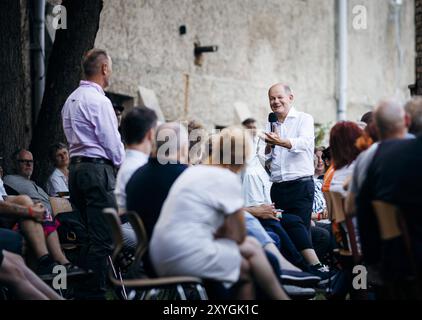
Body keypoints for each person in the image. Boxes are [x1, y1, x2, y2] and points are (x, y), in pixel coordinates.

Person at [150, 127, 290, 300]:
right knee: (248, 263)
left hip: (159, 251)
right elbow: (238, 235)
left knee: (252, 247)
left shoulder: (194, 171)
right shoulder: (225, 178)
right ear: (244, 158)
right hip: (184, 254)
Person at [62, 48, 125, 299]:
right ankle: (93, 293)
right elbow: (112, 142)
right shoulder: (99, 101)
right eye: (110, 68)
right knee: (103, 237)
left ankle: (83, 290)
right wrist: (121, 161)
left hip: (76, 169)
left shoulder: (70, 100)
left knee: (86, 236)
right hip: (97, 170)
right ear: (104, 69)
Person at [2, 150, 76, 275]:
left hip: (51, 218)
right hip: (35, 219)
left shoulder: (36, 184)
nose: (28, 164)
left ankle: (65, 283)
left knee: (77, 226)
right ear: (15, 164)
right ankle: (63, 270)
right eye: (23, 161)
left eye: (30, 161)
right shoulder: (9, 179)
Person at [264, 84, 315, 231]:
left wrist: (279, 141)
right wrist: (268, 147)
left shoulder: (304, 119)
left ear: (290, 98)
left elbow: (304, 143)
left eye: (280, 97)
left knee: (301, 232)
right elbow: (266, 156)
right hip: (278, 187)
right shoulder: (270, 123)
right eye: (272, 98)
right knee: (282, 231)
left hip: (300, 186)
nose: (275, 101)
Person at [115, 106, 157, 249]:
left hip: (128, 226)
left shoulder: (128, 162)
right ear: (151, 134)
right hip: (136, 230)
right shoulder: (142, 167)